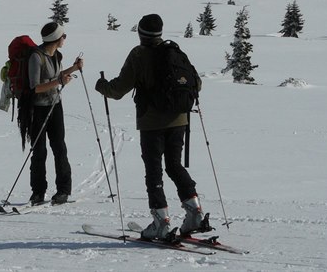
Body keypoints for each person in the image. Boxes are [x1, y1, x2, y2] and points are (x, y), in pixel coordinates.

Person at [95, 14, 209, 241]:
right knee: (174, 165)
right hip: (180, 119)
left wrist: (102, 86)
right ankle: (195, 212)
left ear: (140, 32)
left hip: (152, 122)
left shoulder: (139, 55)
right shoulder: (175, 51)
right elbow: (197, 83)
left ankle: (161, 222)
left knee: (154, 170)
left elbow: (118, 90)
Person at [27, 22, 83, 205]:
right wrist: (59, 81)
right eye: (63, 36)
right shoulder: (36, 57)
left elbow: (55, 77)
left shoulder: (56, 55)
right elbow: (35, 87)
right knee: (39, 151)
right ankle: (38, 192)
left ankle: (63, 190)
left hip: (55, 106)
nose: (65, 38)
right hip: (38, 108)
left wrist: (73, 69)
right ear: (55, 39)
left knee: (60, 148)